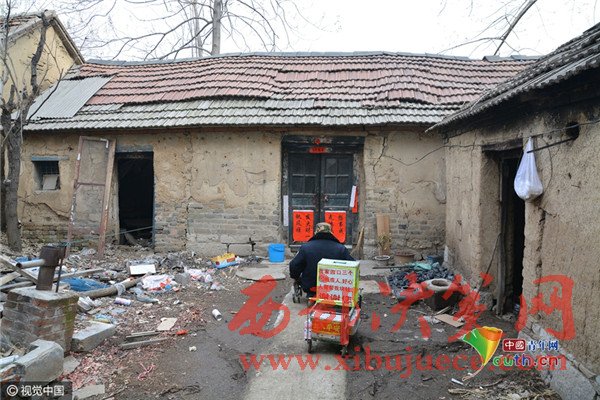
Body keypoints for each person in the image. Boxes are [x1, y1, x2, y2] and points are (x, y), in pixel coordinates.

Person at [289, 222, 354, 297]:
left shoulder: (306, 247)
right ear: (331, 232)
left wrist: (296, 277)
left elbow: (294, 265)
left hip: (312, 287)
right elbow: (353, 266)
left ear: (315, 232)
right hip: (334, 287)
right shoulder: (341, 249)